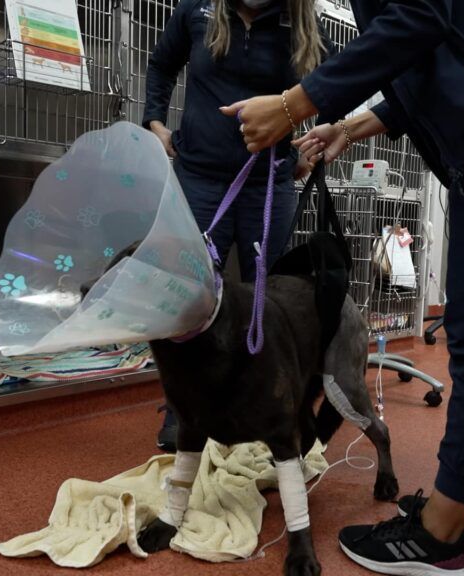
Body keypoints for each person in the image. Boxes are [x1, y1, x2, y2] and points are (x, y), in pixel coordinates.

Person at [223, 0, 464, 574]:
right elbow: (440, 51)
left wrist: (294, 105)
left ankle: (440, 536)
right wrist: (349, 127)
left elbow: (422, 14)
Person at [142, 0, 333, 452]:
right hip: (200, 176)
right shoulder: (197, 9)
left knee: (268, 299)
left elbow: (333, 86)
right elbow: (162, 64)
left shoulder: (303, 22)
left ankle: (270, 406)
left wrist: (311, 144)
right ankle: (182, 412)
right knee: (188, 297)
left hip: (268, 182)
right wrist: (154, 122)